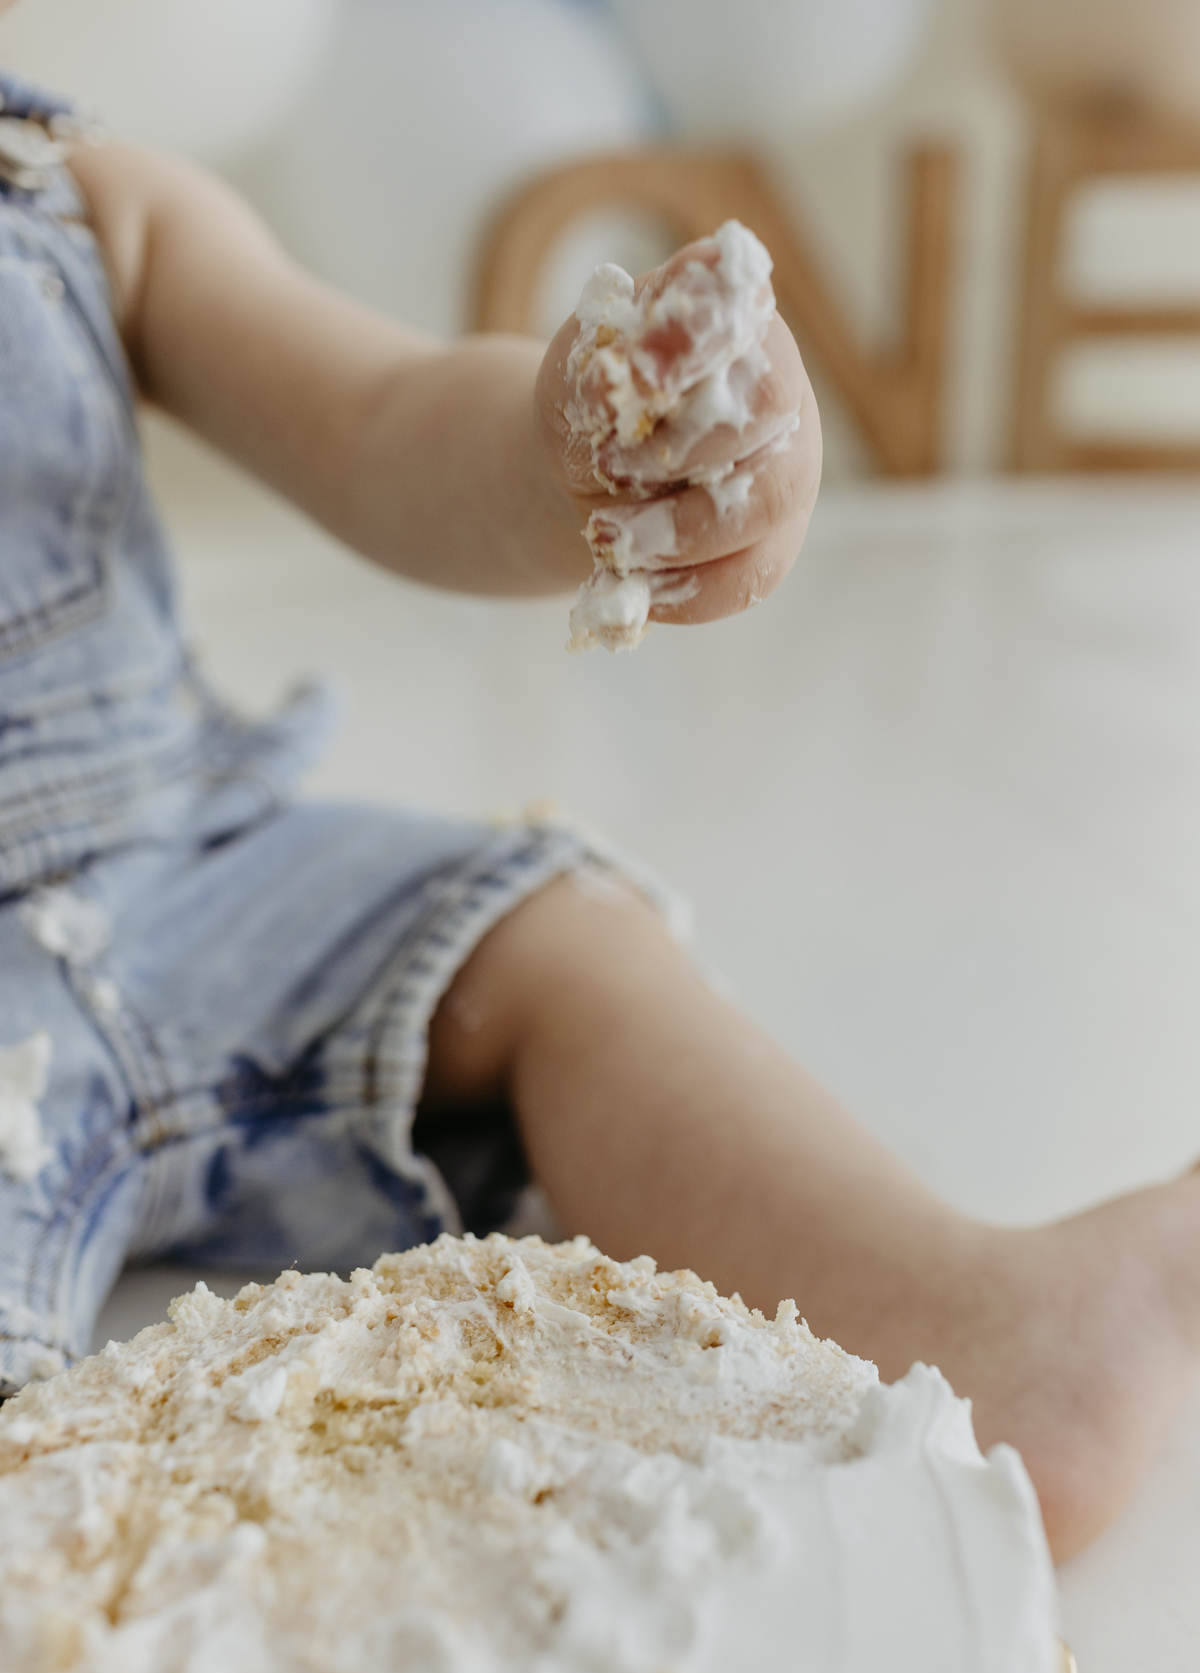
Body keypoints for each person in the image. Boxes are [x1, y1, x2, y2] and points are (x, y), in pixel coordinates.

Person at [0, 42, 1197, 1569]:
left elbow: (382, 418)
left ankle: (963, 1331)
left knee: (558, 942)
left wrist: (591, 441)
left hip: (193, 876)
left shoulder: (79, 194)